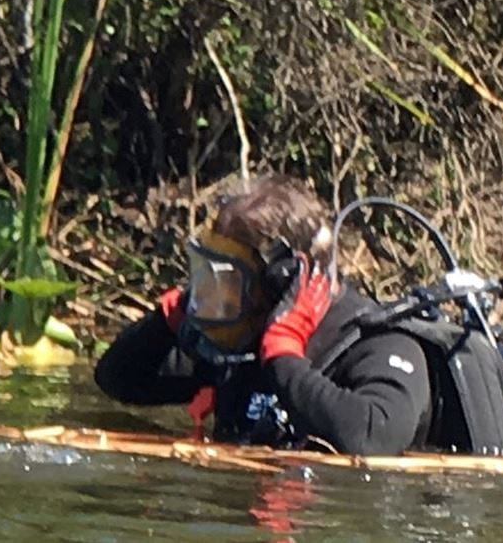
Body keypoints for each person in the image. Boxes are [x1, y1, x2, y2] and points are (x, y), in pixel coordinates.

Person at [93, 175, 433, 455]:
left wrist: (284, 352)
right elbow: (119, 380)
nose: (211, 295)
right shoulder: (240, 343)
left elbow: (372, 438)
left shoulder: (381, 343)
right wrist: (173, 314)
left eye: (225, 279)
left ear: (281, 282)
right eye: (204, 272)